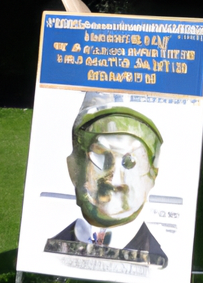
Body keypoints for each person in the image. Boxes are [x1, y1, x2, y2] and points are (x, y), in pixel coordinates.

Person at [44, 92, 168, 268]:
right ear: (74, 168)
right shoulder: (46, 254)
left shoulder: (159, 264)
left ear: (152, 174)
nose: (114, 179)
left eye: (130, 162)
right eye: (100, 158)